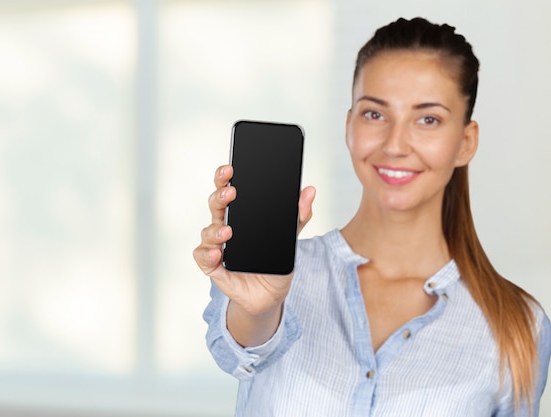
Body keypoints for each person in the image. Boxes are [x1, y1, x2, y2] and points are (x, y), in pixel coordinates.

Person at [192, 17, 551, 417]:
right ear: (349, 126)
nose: (395, 145)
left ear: (466, 142)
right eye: (375, 115)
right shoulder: (276, 275)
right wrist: (258, 310)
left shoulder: (518, 326)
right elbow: (238, 352)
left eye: (428, 119)